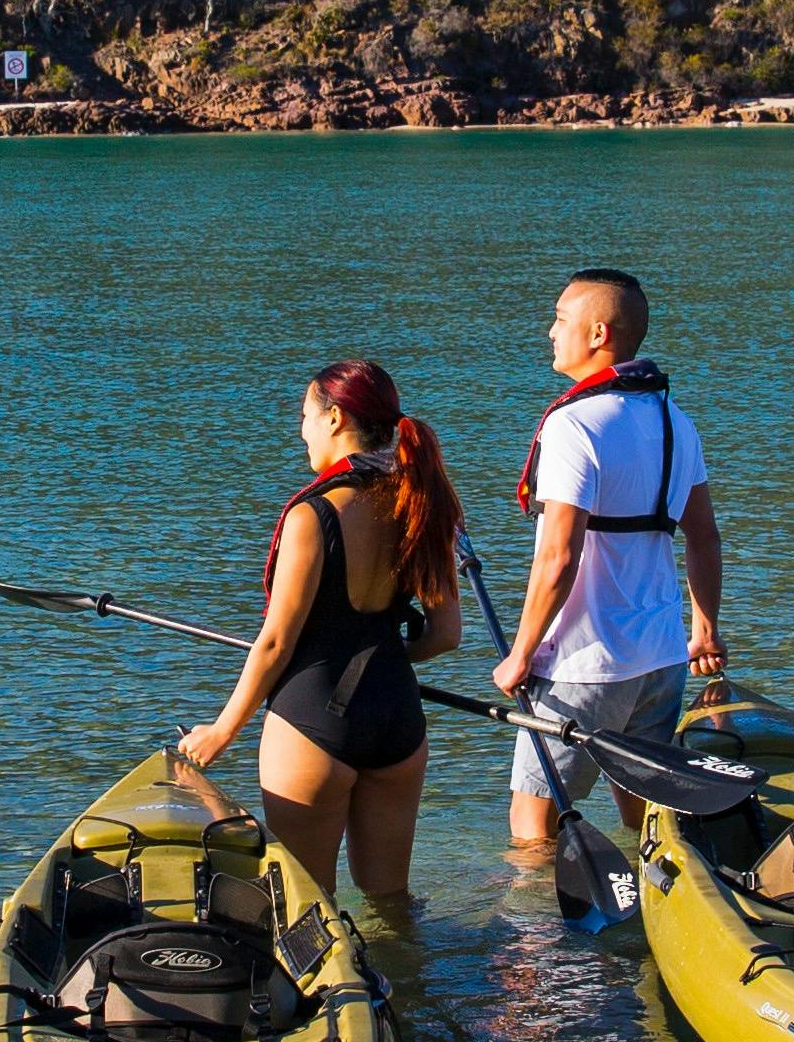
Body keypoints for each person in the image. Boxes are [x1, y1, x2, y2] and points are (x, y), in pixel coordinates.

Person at [172, 359, 467, 911]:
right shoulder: (423, 503)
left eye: (305, 415)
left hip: (313, 723)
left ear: (334, 418)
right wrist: (381, 660)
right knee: (391, 901)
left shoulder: (315, 514)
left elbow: (276, 642)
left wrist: (222, 730)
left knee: (305, 903)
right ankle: (407, 990)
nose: (301, 428)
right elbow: (446, 635)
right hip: (398, 719)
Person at [489, 266, 726, 858]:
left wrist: (520, 656)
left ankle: (540, 944)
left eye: (561, 320)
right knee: (644, 819)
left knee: (532, 828)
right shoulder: (677, 422)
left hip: (583, 665)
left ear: (597, 333)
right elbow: (704, 538)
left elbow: (558, 556)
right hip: (660, 659)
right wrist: (705, 630)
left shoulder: (574, 426)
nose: (550, 332)